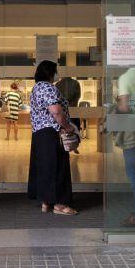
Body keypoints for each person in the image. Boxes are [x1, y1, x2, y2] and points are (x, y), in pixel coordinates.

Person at [27, 60, 78, 215]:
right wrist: (68, 127)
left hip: (40, 134)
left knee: (44, 167)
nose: (57, 74)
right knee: (59, 168)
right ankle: (60, 205)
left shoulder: (36, 88)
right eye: (56, 71)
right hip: (52, 132)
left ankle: (46, 201)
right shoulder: (48, 88)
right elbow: (56, 111)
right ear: (50, 73)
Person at [115, 66, 135, 227]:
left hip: (132, 130)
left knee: (134, 174)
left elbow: (124, 107)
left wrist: (113, 111)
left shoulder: (125, 78)